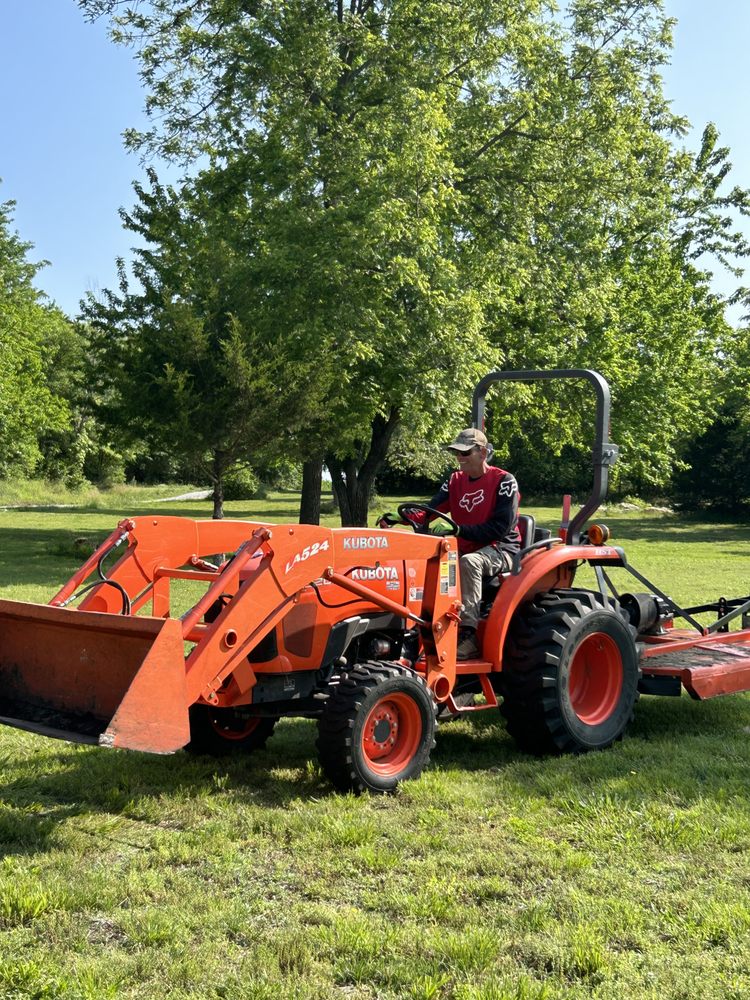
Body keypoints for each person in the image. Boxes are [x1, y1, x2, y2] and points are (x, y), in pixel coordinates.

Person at [383, 428, 521, 660]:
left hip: (502, 548)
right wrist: (404, 517)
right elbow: (432, 510)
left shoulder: (504, 481)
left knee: (469, 563)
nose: (459, 458)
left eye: (465, 453)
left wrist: (458, 530)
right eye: (456, 452)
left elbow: (500, 528)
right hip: (464, 544)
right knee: (422, 561)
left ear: (483, 452)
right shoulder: (455, 480)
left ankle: (468, 636)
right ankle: (416, 628)